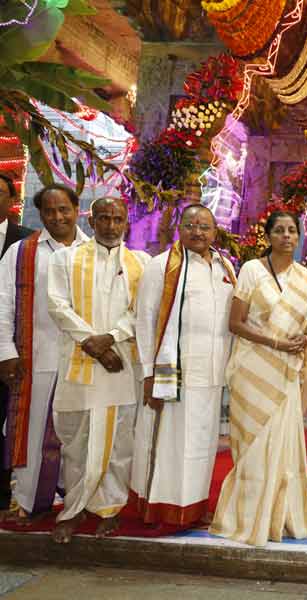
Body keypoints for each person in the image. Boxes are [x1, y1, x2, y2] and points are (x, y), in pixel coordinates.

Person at [210, 211, 307, 546]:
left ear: (298, 237)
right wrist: (276, 342)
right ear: (268, 236)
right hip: (252, 369)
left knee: (283, 445)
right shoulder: (252, 270)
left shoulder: (306, 277)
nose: (287, 236)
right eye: (280, 231)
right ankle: (246, 519)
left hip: (286, 372)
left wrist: (303, 341)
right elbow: (236, 323)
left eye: (292, 231)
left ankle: (280, 517)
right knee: (253, 445)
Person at [46, 197, 148, 542]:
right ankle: (73, 510)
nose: (110, 225)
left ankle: (109, 509)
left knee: (119, 443)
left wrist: (111, 338)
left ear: (126, 223)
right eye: (103, 218)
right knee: (75, 443)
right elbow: (58, 307)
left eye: (117, 219)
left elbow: (139, 312)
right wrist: (93, 344)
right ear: (92, 222)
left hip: (120, 366)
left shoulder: (139, 263)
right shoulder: (65, 258)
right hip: (80, 365)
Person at [130, 205, 235, 529]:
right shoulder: (162, 267)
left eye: (204, 226)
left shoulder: (224, 267)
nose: (197, 232)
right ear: (180, 229)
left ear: (214, 232)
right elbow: (145, 322)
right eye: (190, 225)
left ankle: (194, 506)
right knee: (169, 442)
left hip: (213, 373)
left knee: (203, 446)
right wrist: (151, 374)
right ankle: (162, 509)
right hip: (174, 372)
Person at [0, 184, 89, 520]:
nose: (57, 217)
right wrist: (5, 351)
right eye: (49, 211)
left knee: (78, 433)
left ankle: (76, 500)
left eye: (64, 209)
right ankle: (27, 501)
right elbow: (3, 304)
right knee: (33, 429)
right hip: (37, 357)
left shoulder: (95, 251)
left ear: (77, 209)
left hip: (83, 360)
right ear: (40, 214)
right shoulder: (22, 252)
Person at [0, 173, 32, 510]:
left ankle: (5, 493)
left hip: (10, 348)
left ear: (11, 200)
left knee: (9, 420)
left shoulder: (26, 241)